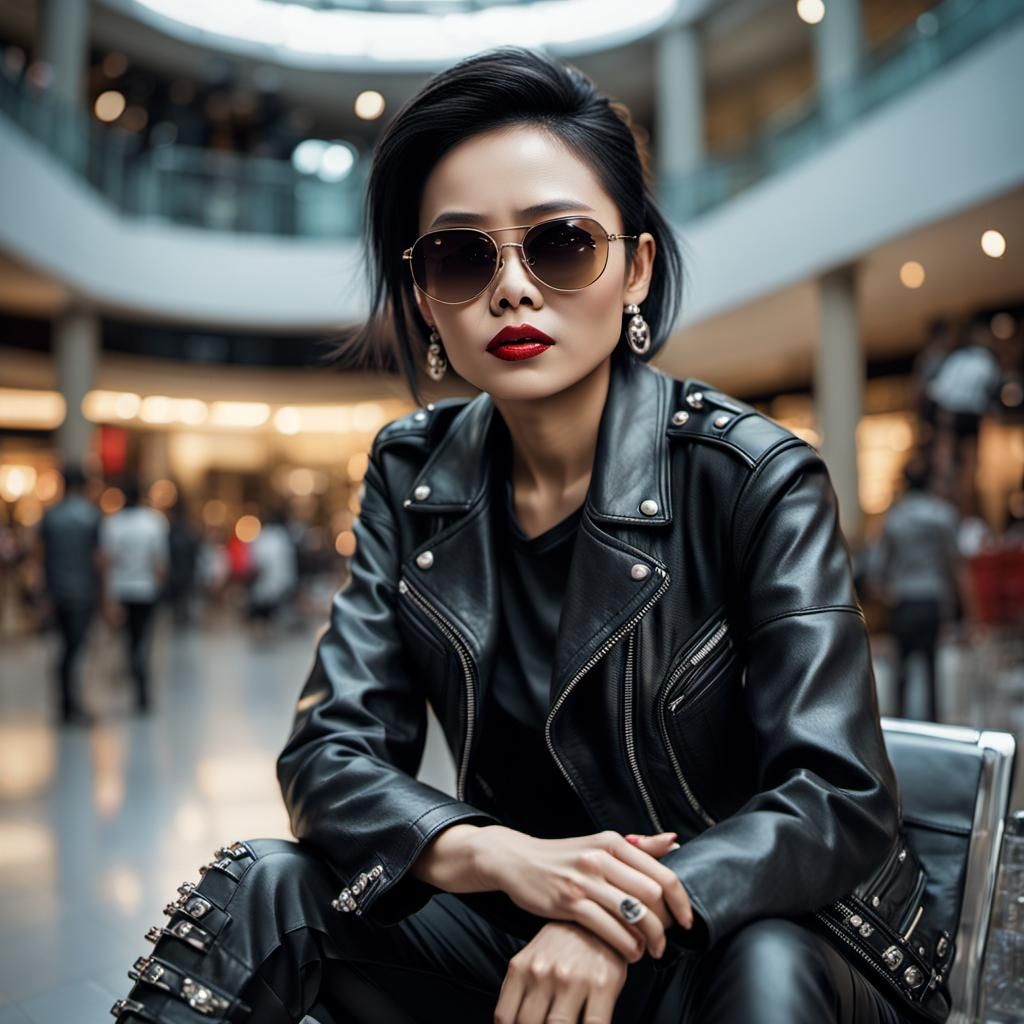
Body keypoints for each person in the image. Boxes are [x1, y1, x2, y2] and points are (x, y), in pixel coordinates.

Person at [112, 48, 949, 1024]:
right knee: (263, 883)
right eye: (463, 257)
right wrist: (502, 857)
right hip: (520, 916)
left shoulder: (754, 476)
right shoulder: (412, 472)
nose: (512, 288)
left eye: (559, 245)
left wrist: (608, 908)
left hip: (766, 930)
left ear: (634, 268)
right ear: (425, 297)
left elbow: (836, 797)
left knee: (764, 966)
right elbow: (329, 754)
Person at [875, 460, 962, 722]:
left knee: (900, 668)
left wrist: (886, 590)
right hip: (933, 599)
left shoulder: (894, 518)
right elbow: (954, 564)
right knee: (932, 666)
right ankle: (933, 721)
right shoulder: (944, 515)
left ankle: (900, 722)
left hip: (904, 600)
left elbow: (880, 566)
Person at [36, 463, 102, 725]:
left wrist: (42, 593)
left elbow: (39, 557)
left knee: (65, 648)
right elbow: (99, 559)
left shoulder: (51, 515)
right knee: (75, 649)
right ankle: (71, 704)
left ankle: (66, 703)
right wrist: (104, 596)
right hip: (82, 592)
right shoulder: (91, 516)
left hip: (56, 592)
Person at [100, 476, 168, 713]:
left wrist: (108, 598)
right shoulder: (154, 522)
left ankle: (135, 678)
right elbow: (159, 564)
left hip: (121, 590)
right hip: (145, 590)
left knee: (129, 640)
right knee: (143, 640)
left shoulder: (113, 523)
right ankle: (142, 688)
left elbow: (107, 564)